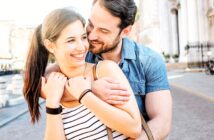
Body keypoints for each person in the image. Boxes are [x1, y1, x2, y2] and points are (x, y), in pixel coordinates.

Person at [23, 8, 142, 140]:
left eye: (83, 37)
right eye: (71, 40)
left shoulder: (105, 70)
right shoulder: (53, 86)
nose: (82, 47)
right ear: (50, 46)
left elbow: (134, 129)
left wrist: (85, 95)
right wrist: (52, 103)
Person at [85, 0, 172, 139]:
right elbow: (45, 81)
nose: (91, 36)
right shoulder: (79, 55)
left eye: (103, 31)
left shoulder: (149, 61)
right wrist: (89, 88)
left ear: (125, 31)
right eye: (90, 24)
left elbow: (161, 122)